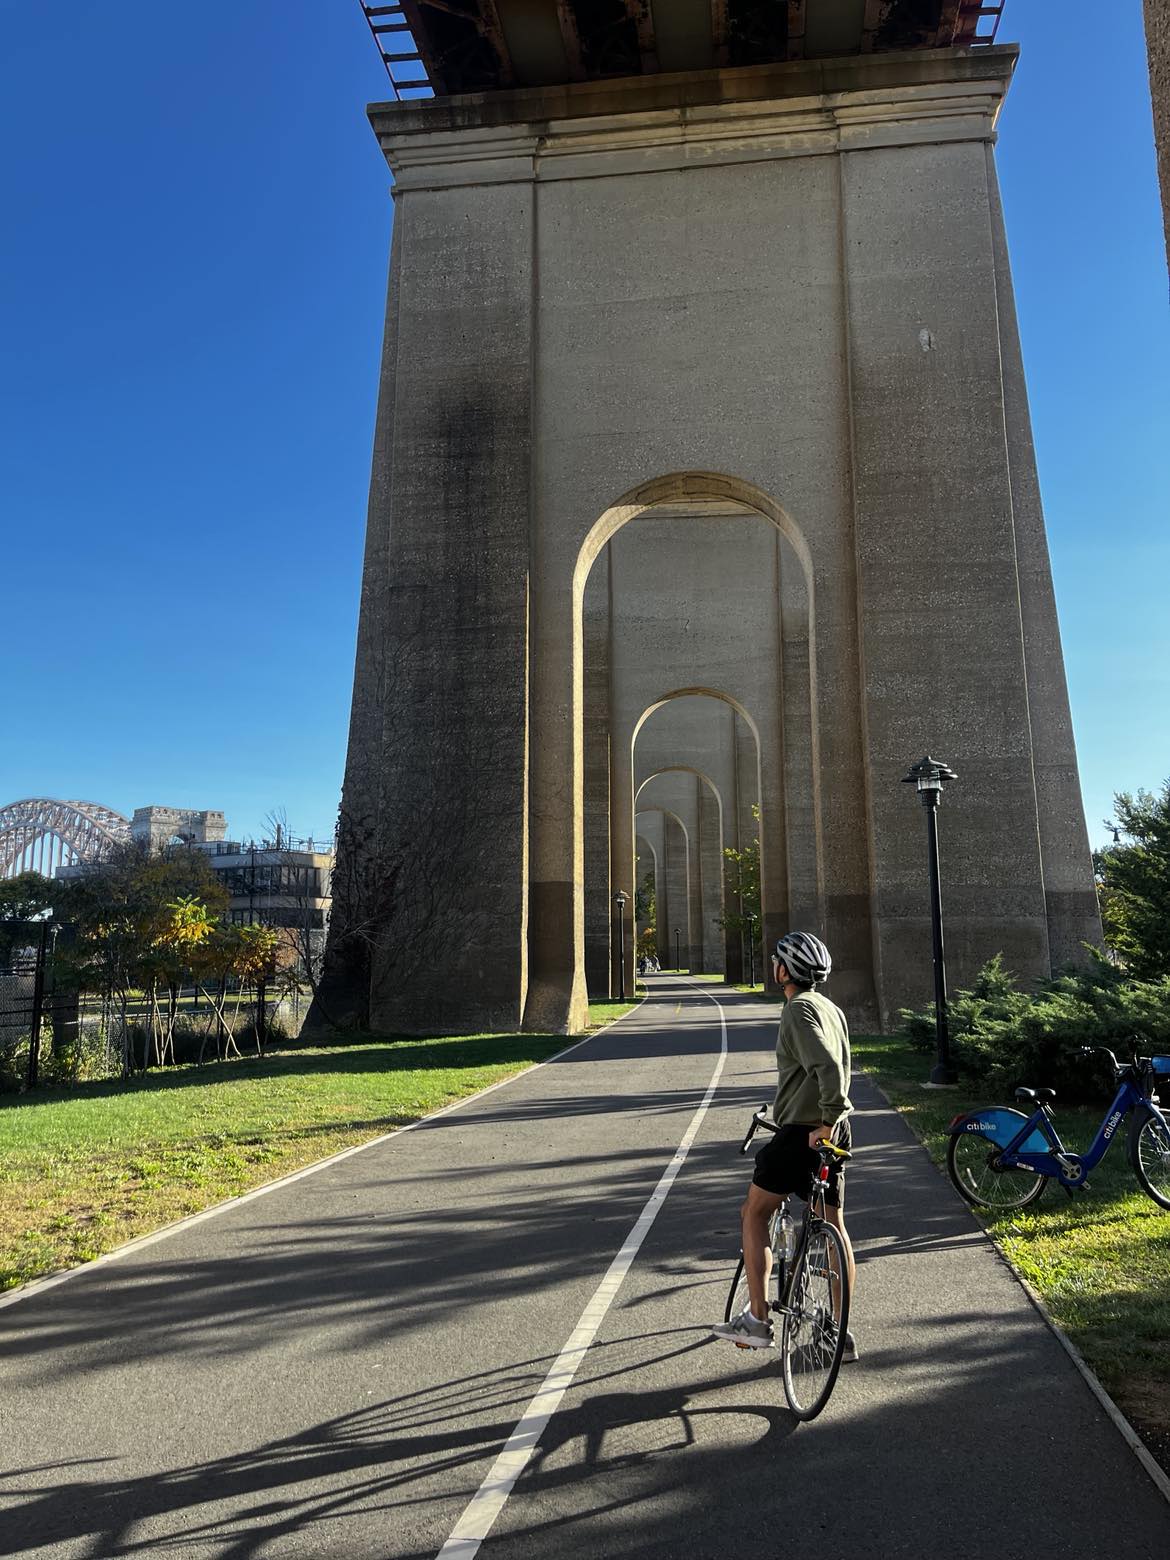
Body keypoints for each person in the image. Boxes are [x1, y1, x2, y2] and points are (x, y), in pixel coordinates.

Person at [711, 930, 858, 1359]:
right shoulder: (831, 1009)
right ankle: (837, 1329)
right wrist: (835, 1122)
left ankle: (757, 1319)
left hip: (805, 1132)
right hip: (836, 1133)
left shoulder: (797, 1010)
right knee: (833, 1228)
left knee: (754, 1213)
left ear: (785, 970)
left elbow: (827, 1068)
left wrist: (826, 1118)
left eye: (777, 961)